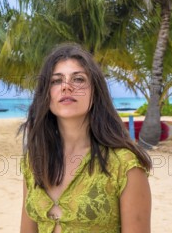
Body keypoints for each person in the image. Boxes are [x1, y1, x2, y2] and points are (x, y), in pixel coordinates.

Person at [20, 44, 152, 232]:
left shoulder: (125, 165)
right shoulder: (33, 160)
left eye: (78, 79)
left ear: (95, 91)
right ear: (46, 94)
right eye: (56, 81)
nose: (66, 87)